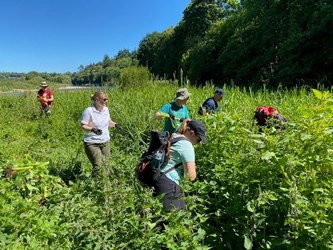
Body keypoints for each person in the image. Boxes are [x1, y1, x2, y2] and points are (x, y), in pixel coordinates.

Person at [153, 119, 207, 211]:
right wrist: (193, 168)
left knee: (159, 218)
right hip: (170, 185)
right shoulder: (186, 145)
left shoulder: (174, 136)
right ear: (191, 133)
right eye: (198, 140)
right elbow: (191, 177)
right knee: (173, 220)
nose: (198, 143)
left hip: (158, 178)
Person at [80, 91, 122, 178]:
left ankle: (104, 185)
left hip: (105, 141)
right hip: (92, 143)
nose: (106, 101)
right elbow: (83, 126)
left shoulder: (106, 109)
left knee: (106, 165)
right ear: (97, 99)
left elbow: (108, 121)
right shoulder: (89, 111)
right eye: (104, 99)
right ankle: (95, 185)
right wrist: (92, 129)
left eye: (107, 99)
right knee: (98, 165)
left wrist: (116, 125)